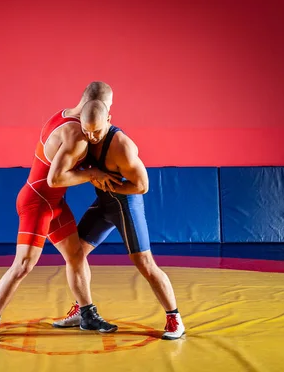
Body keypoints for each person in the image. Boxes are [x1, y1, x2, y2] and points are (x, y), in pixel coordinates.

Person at [0, 83, 121, 344]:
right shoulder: (76, 134)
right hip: (37, 202)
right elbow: (55, 179)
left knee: (76, 255)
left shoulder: (64, 114)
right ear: (97, 104)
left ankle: (87, 313)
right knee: (23, 265)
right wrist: (93, 173)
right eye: (108, 107)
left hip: (53, 203)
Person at [52, 101, 186, 340]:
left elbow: (142, 186)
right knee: (75, 253)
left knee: (144, 261)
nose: (92, 137)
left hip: (126, 203)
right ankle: (83, 311)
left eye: (98, 131)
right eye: (87, 130)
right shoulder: (78, 136)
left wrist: (107, 183)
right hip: (103, 203)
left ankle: (174, 317)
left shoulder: (121, 146)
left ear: (109, 120)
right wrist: (94, 176)